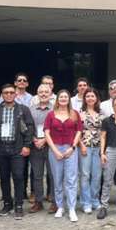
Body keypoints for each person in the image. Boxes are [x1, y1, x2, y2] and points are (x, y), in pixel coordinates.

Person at [0, 84, 34, 220]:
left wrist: (27, 145)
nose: (8, 95)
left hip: (17, 148)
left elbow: (30, 127)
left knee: (18, 177)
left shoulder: (23, 109)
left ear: (15, 95)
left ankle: (19, 205)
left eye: (11, 93)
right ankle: (8, 203)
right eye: (6, 92)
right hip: (1, 148)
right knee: (4, 177)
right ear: (2, 95)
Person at [44, 90, 83, 222]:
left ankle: (71, 208)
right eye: (61, 97)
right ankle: (60, 206)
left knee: (71, 180)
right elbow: (47, 134)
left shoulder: (74, 114)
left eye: (66, 97)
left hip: (70, 149)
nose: (63, 99)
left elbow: (78, 132)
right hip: (55, 149)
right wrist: (54, 150)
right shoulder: (50, 115)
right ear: (57, 99)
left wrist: (73, 147)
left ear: (69, 99)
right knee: (57, 180)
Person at [28, 84, 56, 214]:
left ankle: (56, 201)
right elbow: (28, 126)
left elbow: (56, 127)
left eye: (46, 92)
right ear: (38, 94)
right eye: (41, 92)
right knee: (37, 175)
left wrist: (45, 140)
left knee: (53, 175)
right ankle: (38, 202)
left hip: (51, 146)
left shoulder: (55, 109)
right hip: (35, 147)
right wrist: (34, 140)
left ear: (51, 94)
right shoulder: (31, 109)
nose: (44, 94)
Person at [78, 87, 105, 214]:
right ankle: (86, 202)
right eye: (88, 96)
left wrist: (103, 150)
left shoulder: (102, 113)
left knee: (97, 176)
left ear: (96, 98)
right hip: (85, 148)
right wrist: (82, 145)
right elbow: (76, 131)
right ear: (85, 98)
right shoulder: (79, 112)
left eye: (92, 96)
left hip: (98, 148)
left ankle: (95, 200)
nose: (90, 98)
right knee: (85, 176)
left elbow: (104, 133)